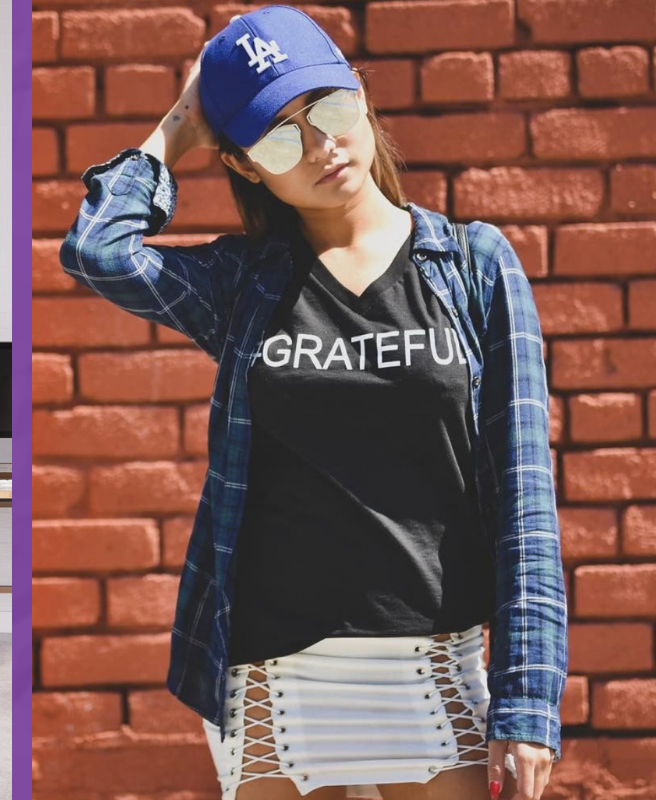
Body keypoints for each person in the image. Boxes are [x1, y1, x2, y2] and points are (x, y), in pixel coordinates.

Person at [59, 7, 562, 800]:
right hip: (273, 678)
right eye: (281, 135)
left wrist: (528, 702)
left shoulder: (474, 266)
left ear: (360, 94)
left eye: (327, 108)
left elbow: (526, 499)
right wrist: (177, 128)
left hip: (432, 662)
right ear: (248, 166)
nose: (322, 145)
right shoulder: (243, 284)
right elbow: (97, 252)